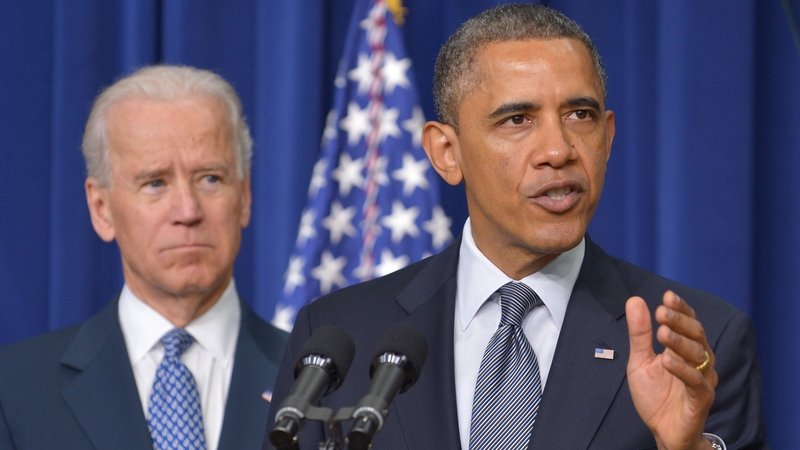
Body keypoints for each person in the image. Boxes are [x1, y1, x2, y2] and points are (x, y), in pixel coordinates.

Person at [266, 4, 768, 450]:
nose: (559, 150)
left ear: (608, 136)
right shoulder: (340, 337)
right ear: (447, 152)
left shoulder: (701, 349)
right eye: (517, 120)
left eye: (579, 114)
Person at [0, 65, 288, 450]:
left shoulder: (323, 380)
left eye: (210, 178)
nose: (187, 211)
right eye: (155, 183)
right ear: (101, 208)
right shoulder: (14, 390)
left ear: (245, 195)